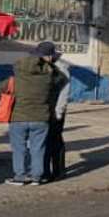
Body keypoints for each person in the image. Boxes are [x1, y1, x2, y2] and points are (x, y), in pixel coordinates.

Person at [0, 41, 65, 187]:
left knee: (19, 149)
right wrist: (51, 65)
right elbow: (62, 79)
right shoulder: (49, 77)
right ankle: (36, 177)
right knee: (38, 148)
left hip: (18, 117)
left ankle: (20, 176)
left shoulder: (16, 78)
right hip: (41, 118)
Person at [44, 53, 70, 181]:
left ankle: (59, 170)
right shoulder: (49, 66)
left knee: (55, 140)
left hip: (56, 111)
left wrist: (58, 112)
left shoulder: (61, 70)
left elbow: (64, 94)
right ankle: (47, 170)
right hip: (48, 109)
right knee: (48, 140)